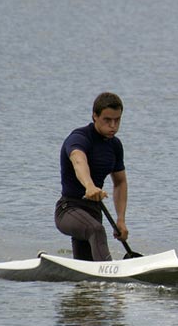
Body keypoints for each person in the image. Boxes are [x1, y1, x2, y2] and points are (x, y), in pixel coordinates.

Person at [55, 92, 129, 261]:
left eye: (117, 120)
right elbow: (78, 161)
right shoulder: (79, 138)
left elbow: (120, 182)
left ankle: (84, 286)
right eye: (107, 120)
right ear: (95, 116)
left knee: (86, 266)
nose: (113, 126)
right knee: (96, 230)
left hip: (94, 211)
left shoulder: (115, 145)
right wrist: (89, 185)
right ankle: (112, 278)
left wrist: (121, 220)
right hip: (68, 210)